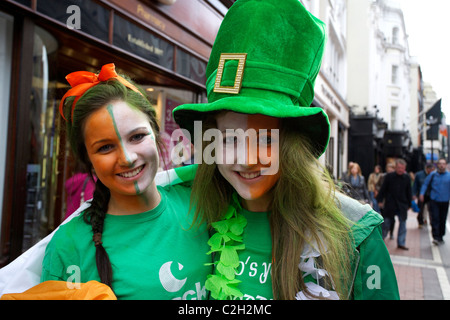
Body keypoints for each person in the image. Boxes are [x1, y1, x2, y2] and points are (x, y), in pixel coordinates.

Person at [173, 0, 398, 300]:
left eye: (266, 139)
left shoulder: (356, 237)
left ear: (293, 145)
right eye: (228, 139)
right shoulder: (196, 216)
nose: (246, 159)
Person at [39, 63, 211, 299]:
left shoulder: (200, 204)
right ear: (88, 159)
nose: (128, 158)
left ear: (156, 133)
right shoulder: (69, 246)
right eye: (105, 147)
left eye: (137, 136)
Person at [376, 159, 412, 250]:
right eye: (399, 168)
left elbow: (409, 191)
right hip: (390, 203)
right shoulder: (389, 176)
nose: (400, 170)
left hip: (402, 204)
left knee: (403, 224)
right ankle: (381, 240)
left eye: (402, 168)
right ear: (395, 167)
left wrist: (409, 203)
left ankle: (401, 242)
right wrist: (379, 200)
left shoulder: (407, 178)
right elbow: (383, 189)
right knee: (386, 223)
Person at [420, 158, 450, 245]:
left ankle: (441, 236)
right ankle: (436, 237)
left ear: (445, 165)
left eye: (443, 164)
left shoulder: (449, 175)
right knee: (435, 218)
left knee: (442, 218)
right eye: (440, 163)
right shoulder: (432, 175)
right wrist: (422, 193)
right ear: (437, 165)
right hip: (434, 200)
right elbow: (425, 184)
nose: (441, 165)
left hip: (445, 200)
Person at [413, 163, 435, 227]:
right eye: (431, 170)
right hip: (421, 194)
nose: (432, 171)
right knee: (420, 209)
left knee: (431, 209)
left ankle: (432, 222)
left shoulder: (434, 175)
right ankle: (420, 221)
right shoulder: (419, 175)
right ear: (427, 169)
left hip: (431, 195)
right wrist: (414, 194)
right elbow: (415, 185)